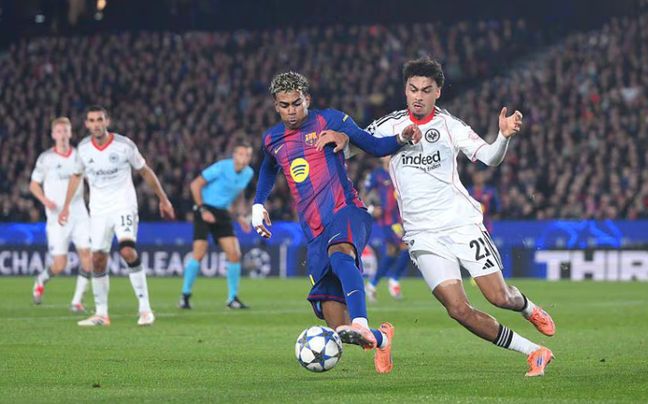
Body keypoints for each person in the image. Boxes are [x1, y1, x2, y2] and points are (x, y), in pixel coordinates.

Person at [316, 57, 556, 377]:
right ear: (405, 90)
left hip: (461, 224)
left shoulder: (450, 126)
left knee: (499, 297)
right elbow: (354, 147)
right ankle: (534, 352)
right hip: (422, 235)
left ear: (438, 92)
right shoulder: (388, 125)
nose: (418, 96)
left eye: (426, 90)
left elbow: (490, 158)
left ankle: (528, 307)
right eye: (413, 89)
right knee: (458, 309)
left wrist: (503, 137)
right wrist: (343, 139)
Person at [251, 71, 420, 374]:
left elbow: (374, 146)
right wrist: (258, 204)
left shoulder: (330, 119)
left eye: (297, 103)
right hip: (314, 231)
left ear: (307, 99)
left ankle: (362, 321)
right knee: (340, 330)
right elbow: (267, 168)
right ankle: (381, 338)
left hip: (347, 211)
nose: (291, 111)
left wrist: (402, 138)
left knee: (341, 253)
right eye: (284, 105)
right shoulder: (272, 139)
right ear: (276, 105)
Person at [58, 106, 175, 327]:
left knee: (127, 251)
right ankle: (101, 314)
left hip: (123, 206)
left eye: (100, 119)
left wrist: (163, 199)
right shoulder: (83, 149)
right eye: (92, 120)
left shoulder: (124, 145)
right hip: (98, 211)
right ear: (87, 124)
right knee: (97, 259)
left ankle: (145, 309)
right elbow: (76, 176)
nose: (96, 124)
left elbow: (145, 170)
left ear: (107, 121)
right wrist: (65, 207)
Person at [179, 142, 254, 310]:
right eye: (242, 154)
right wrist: (202, 209)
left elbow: (238, 193)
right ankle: (185, 296)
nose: (245, 158)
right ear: (234, 156)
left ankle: (232, 298)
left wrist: (240, 215)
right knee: (199, 253)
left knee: (234, 254)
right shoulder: (221, 167)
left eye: (248, 155)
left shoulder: (248, 173)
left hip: (222, 212)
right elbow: (195, 184)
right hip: (204, 208)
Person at [30, 117, 92, 312]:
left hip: (79, 213)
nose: (63, 135)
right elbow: (33, 185)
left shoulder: (80, 156)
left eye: (66, 131)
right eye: (59, 131)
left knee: (87, 256)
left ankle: (77, 301)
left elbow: (91, 180)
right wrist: (45, 201)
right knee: (59, 264)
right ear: (53, 135)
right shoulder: (46, 159)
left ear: (70, 133)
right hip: (57, 217)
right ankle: (41, 279)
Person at [364, 156, 410, 301]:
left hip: (400, 217)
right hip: (388, 220)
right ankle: (394, 280)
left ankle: (372, 284)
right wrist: (371, 209)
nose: (388, 156)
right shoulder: (377, 174)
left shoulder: (400, 170)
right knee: (406, 246)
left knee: (392, 252)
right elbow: (363, 193)